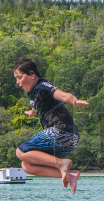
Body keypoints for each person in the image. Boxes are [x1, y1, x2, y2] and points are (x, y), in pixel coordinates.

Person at [13, 58, 89, 193]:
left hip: (61, 131)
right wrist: (33, 112)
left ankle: (62, 163)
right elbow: (40, 106)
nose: (17, 83)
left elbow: (62, 95)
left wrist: (74, 101)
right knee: (26, 165)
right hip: (68, 141)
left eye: (19, 77)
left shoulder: (42, 86)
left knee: (21, 151)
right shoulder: (33, 92)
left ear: (32, 75)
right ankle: (71, 175)